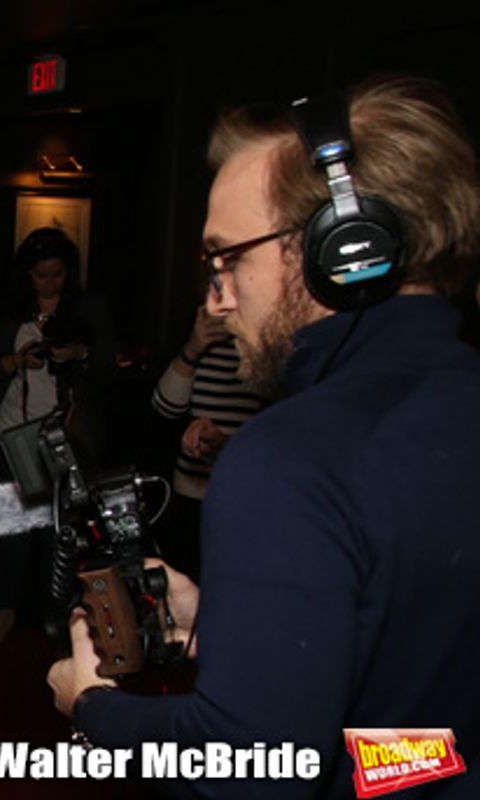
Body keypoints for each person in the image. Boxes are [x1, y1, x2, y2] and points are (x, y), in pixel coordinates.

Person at [48, 76, 480, 798]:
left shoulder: (288, 459)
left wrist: (93, 706)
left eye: (229, 258)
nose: (216, 299)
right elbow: (421, 724)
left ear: (343, 248)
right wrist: (230, 624)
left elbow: (252, 771)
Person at [0, 227, 115, 643]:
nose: (50, 284)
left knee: (61, 529)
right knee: (12, 525)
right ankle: (5, 608)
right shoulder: (7, 311)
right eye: (41, 276)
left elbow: (108, 372)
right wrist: (15, 361)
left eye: (57, 275)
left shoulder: (89, 308)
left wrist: (78, 355)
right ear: (27, 276)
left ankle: (57, 612)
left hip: (65, 435)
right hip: (12, 434)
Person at [148, 305, 264, 581]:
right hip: (189, 492)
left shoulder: (262, 351)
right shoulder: (200, 343)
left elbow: (277, 427)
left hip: (243, 492)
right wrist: (193, 347)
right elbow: (164, 407)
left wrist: (224, 443)